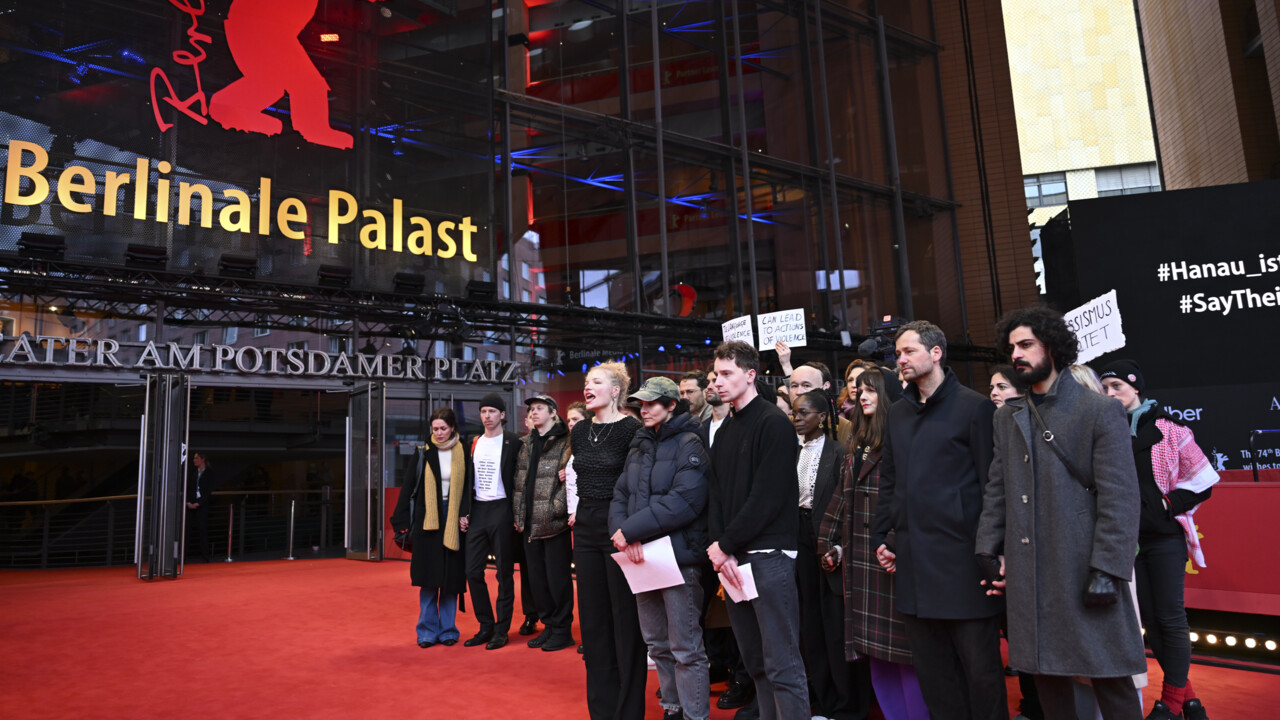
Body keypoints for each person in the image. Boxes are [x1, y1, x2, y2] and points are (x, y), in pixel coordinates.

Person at [975, 308, 1147, 720]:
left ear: (1052, 346)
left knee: (1110, 674)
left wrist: (1107, 568)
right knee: (1045, 673)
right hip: (1028, 567)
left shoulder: (1099, 410)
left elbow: (1120, 498)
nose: (1016, 353)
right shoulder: (1006, 416)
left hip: (1085, 565)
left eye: (1026, 344)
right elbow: (997, 485)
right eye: (1011, 346)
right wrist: (987, 545)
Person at [871, 320, 1006, 720]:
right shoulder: (896, 413)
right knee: (933, 676)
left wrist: (992, 551)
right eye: (897, 353)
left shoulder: (974, 406)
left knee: (982, 674)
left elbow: (990, 486)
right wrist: (884, 537)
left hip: (965, 565)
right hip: (913, 564)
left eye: (908, 351)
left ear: (935, 353)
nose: (901, 359)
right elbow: (890, 481)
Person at [1099, 359, 1218, 720]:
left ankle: (1170, 703)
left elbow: (1204, 479)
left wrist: (1169, 504)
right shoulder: (1104, 430)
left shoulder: (1169, 430)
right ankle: (1191, 702)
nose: (1109, 394)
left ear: (1136, 388)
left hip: (1164, 539)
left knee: (1170, 618)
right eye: (1104, 388)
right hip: (1127, 541)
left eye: (1116, 386)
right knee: (1151, 619)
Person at [707, 341, 809, 720]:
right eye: (716, 374)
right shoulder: (726, 430)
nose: (719, 381)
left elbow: (766, 498)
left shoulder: (774, 423)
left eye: (727, 373)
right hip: (732, 559)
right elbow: (715, 495)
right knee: (755, 663)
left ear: (751, 375)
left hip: (769, 556)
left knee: (781, 663)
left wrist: (726, 544)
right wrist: (719, 548)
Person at [820, 367, 925, 720]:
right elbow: (841, 494)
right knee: (875, 654)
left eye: (871, 390)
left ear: (888, 396)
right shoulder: (858, 443)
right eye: (859, 390)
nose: (861, 396)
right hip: (860, 560)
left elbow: (914, 497)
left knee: (905, 655)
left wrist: (892, 541)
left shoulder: (904, 437)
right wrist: (827, 541)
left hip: (890, 557)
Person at [611, 376, 712, 720]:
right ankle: (672, 708)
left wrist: (630, 531)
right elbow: (621, 494)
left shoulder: (690, 442)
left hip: (678, 557)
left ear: (671, 405)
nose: (645, 408)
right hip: (642, 557)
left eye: (652, 403)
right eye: (641, 403)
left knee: (685, 646)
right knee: (657, 643)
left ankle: (694, 714)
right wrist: (622, 533)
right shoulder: (640, 443)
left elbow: (685, 501)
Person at [572, 362, 647, 720]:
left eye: (596, 382)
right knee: (593, 620)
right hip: (584, 526)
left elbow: (636, 486)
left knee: (624, 620)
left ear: (616, 390)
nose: (587, 387)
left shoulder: (632, 429)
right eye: (586, 382)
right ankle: (601, 710)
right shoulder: (579, 430)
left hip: (617, 526)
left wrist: (631, 530)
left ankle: (629, 710)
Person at [791, 389, 868, 720]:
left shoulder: (839, 452)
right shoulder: (787, 452)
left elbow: (848, 504)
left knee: (836, 624)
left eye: (804, 412)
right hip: (799, 541)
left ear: (822, 417)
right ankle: (822, 702)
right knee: (809, 624)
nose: (797, 418)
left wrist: (837, 546)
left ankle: (848, 704)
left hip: (831, 542)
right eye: (794, 413)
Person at [390, 408, 471, 648]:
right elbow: (408, 486)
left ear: (452, 427)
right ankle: (426, 631)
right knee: (428, 578)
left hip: (454, 517)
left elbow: (468, 486)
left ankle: (448, 630)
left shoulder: (463, 451)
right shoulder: (423, 451)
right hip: (428, 520)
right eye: (435, 429)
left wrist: (465, 514)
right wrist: (401, 521)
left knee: (450, 577)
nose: (439, 433)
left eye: (443, 428)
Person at [513, 394, 575, 652]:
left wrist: (555, 510)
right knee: (538, 580)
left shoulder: (565, 441)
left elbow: (569, 481)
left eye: (539, 408)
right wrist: (518, 514)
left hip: (554, 524)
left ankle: (562, 631)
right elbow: (519, 482)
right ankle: (549, 627)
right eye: (531, 409)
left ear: (552, 413)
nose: (534, 412)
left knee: (558, 580)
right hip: (529, 524)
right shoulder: (526, 443)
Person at [460, 394, 520, 650]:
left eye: (492, 411)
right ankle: (485, 625)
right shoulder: (473, 442)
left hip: (503, 509)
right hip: (479, 510)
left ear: (502, 415)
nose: (487, 415)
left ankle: (502, 630)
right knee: (472, 571)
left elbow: (521, 478)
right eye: (483, 411)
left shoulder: (514, 442)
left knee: (504, 574)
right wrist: (465, 511)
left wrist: (519, 514)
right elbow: (466, 480)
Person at [789, 362, 855, 447]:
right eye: (794, 386)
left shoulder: (844, 428)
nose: (798, 392)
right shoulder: (782, 424)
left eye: (806, 385)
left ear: (825, 387)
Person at [185, 452, 219, 563]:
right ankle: (183, 556)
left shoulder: (210, 473)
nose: (194, 460)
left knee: (202, 530)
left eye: (196, 458)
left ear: (203, 459)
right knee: (186, 530)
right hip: (191, 504)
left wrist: (199, 503)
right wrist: (188, 501)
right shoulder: (193, 472)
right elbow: (189, 488)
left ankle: (205, 556)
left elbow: (208, 491)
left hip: (202, 505)